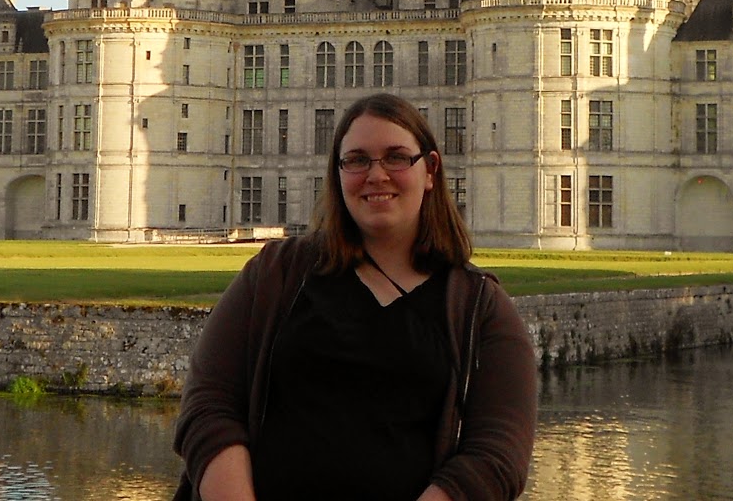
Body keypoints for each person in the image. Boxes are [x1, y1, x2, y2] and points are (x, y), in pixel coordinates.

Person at [172, 93, 538, 501]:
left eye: (396, 157)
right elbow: (209, 406)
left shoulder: (478, 308)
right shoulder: (276, 274)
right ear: (338, 172)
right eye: (357, 160)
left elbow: (496, 457)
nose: (376, 175)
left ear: (431, 170)